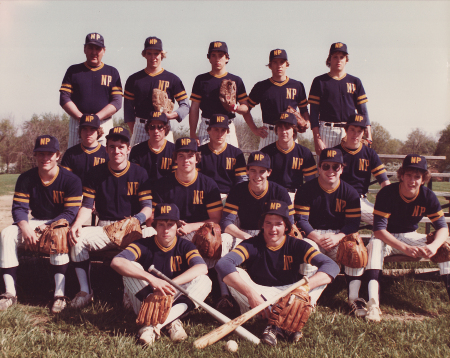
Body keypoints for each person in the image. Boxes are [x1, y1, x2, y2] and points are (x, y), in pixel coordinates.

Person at [216, 200, 340, 346]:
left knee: (319, 276)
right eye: (268, 223)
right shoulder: (252, 244)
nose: (273, 229)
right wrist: (251, 295)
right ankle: (286, 322)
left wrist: (302, 289)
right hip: (260, 296)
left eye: (278, 224)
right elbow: (223, 264)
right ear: (262, 224)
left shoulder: (296, 244)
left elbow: (331, 266)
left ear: (286, 226)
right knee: (235, 273)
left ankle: (274, 324)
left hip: (291, 293)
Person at [68, 127, 152, 308]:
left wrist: (136, 219)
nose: (117, 151)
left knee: (152, 238)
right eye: (112, 147)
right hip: (105, 227)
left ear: (128, 149)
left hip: (132, 226)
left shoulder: (140, 173)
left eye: (121, 147)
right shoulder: (95, 172)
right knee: (77, 238)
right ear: (106, 149)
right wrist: (77, 224)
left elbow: (148, 208)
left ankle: (130, 291)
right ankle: (85, 290)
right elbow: (87, 206)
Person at [0, 135, 82, 314]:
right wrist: (25, 227)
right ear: (35, 156)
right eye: (41, 154)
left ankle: (59, 295)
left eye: (50, 154)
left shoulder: (71, 179)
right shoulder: (26, 178)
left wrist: (47, 227)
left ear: (57, 155)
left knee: (58, 235)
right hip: (35, 223)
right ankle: (9, 293)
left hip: (60, 223)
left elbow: (70, 213)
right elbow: (19, 209)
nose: (45, 158)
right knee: (6, 234)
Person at [110, 203, 211, 346]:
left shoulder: (185, 245)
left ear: (178, 226)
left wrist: (170, 284)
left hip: (172, 297)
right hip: (147, 299)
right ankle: (172, 322)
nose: (166, 229)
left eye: (170, 224)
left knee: (204, 280)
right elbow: (117, 261)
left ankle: (153, 326)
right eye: (161, 224)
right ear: (154, 226)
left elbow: (202, 267)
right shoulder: (144, 244)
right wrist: (152, 279)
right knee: (131, 267)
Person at [365, 154, 450, 322]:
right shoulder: (387, 193)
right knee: (374, 245)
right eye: (409, 175)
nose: (412, 180)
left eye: (417, 176)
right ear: (401, 175)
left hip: (410, 236)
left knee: (444, 247)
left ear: (423, 179)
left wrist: (433, 247)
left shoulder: (427, 196)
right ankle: (373, 304)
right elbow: (379, 231)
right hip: (387, 237)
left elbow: (443, 228)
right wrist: (405, 248)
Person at [295, 148, 365, 316]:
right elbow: (302, 221)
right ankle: (308, 299)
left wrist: (339, 236)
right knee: (306, 251)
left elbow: (353, 223)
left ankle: (353, 298)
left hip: (338, 235)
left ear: (342, 168)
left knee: (354, 250)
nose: (331, 171)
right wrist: (317, 238)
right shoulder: (306, 189)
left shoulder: (350, 191)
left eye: (336, 167)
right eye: (326, 166)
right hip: (312, 234)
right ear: (319, 168)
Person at [189, 41, 266, 147]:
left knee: (231, 160)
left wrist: (235, 108)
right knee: (203, 161)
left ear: (227, 58)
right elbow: (194, 108)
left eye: (221, 55)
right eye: (213, 55)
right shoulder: (201, 79)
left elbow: (245, 108)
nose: (217, 59)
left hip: (228, 125)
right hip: (207, 126)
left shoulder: (236, 80)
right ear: (209, 58)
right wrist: (192, 133)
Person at [60, 33, 122, 148]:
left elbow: (117, 102)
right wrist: (81, 118)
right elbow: (64, 98)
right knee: (75, 159)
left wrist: (96, 118)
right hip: (78, 122)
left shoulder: (112, 72)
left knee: (104, 161)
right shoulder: (73, 70)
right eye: (90, 48)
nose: (94, 52)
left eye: (98, 48)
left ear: (104, 50)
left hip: (103, 123)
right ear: (84, 49)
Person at [124, 37, 189, 146]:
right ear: (144, 54)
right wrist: (134, 129)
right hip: (141, 126)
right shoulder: (134, 79)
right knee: (136, 161)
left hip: (163, 125)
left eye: (156, 53)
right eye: (149, 53)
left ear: (162, 55)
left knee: (168, 161)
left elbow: (185, 105)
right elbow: (128, 110)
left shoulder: (172, 79)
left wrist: (172, 115)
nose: (153, 57)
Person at [309, 42, 371, 155]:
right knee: (326, 168)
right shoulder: (319, 81)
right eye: (335, 57)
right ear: (329, 59)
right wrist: (317, 139)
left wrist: (369, 136)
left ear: (346, 59)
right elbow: (313, 114)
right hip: (327, 130)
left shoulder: (355, 81)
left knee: (348, 168)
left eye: (342, 57)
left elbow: (363, 112)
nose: (338, 60)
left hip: (350, 131)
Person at [221, 151, 294, 242]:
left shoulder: (280, 192)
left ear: (269, 172)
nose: (257, 176)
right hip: (244, 234)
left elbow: (290, 223)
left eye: (262, 171)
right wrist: (246, 237)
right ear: (247, 170)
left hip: (272, 235)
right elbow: (226, 222)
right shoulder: (238, 190)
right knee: (225, 238)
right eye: (253, 171)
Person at [245, 49, 309, 149]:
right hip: (268, 133)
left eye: (282, 62)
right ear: (270, 66)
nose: (279, 65)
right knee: (264, 164)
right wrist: (254, 129)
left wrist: (307, 122)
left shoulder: (297, 85)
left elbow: (304, 110)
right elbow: (246, 109)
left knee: (290, 164)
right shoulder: (261, 86)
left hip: (289, 132)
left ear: (287, 64)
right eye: (275, 62)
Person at [334, 114, 390, 225]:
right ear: (346, 130)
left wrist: (389, 199)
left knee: (388, 220)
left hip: (360, 200)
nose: (355, 134)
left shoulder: (369, 153)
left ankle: (375, 242)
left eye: (359, 131)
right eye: (352, 130)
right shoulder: (335, 152)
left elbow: (384, 181)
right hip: (338, 199)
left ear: (363, 133)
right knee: (386, 222)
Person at [261, 111, 317, 202]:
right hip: (272, 195)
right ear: (276, 130)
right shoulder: (266, 152)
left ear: (294, 131)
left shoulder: (304, 153)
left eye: (287, 128)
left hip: (295, 195)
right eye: (280, 127)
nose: (283, 131)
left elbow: (310, 183)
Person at [198, 114, 248, 198]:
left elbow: (242, 180)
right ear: (209, 130)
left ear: (227, 132)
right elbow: (196, 179)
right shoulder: (199, 152)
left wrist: (232, 196)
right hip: (205, 196)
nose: (219, 134)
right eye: (216, 129)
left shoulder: (236, 153)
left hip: (229, 196)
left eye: (223, 130)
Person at [129, 111, 175, 183]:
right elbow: (134, 177)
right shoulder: (137, 150)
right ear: (148, 129)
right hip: (144, 190)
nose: (156, 131)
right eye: (152, 127)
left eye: (160, 127)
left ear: (165, 129)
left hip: (166, 191)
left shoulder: (174, 150)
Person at [61, 114, 109, 183]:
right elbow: (65, 180)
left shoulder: (106, 153)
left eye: (92, 129)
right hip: (76, 192)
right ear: (80, 131)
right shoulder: (70, 153)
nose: (88, 133)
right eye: (84, 129)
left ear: (98, 131)